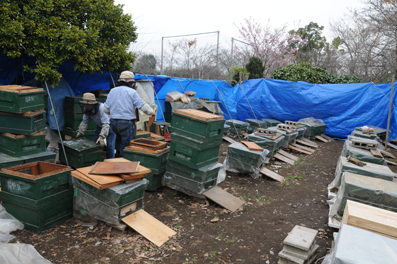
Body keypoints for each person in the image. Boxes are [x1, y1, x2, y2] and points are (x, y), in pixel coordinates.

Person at [104, 71, 154, 157]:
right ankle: (124, 165)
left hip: (113, 123)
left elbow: (105, 109)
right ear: (131, 83)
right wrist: (152, 112)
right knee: (126, 148)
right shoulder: (132, 92)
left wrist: (115, 113)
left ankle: (116, 162)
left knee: (117, 146)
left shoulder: (112, 91)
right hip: (126, 124)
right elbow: (143, 107)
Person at [76, 92, 116, 159]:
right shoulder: (86, 109)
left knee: (110, 145)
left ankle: (110, 161)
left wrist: (102, 137)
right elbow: (85, 122)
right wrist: (80, 131)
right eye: (85, 104)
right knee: (94, 144)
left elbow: (106, 124)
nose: (86, 106)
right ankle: (94, 159)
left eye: (88, 104)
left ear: (93, 104)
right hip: (100, 125)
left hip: (110, 125)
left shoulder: (103, 108)